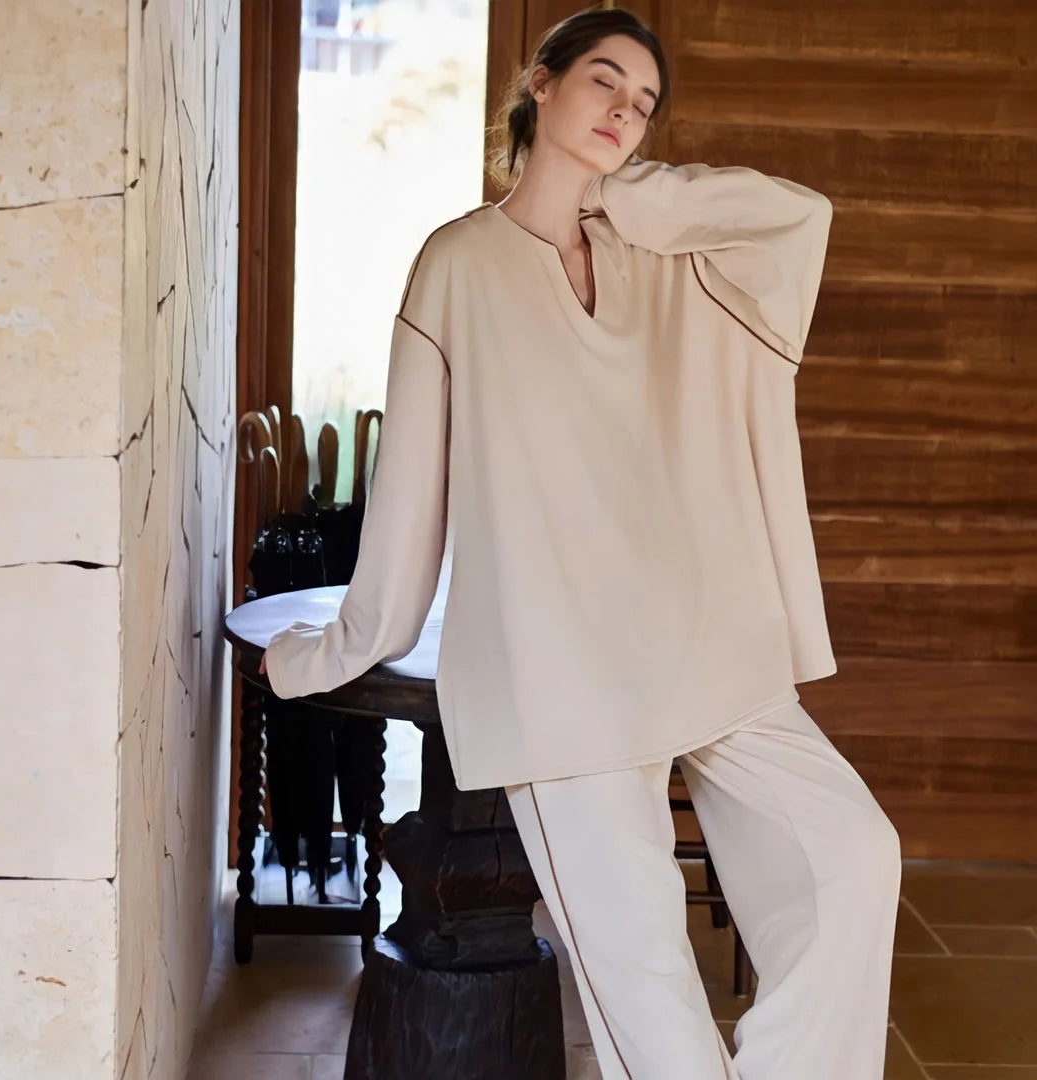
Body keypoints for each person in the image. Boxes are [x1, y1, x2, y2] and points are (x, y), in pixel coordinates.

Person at [259, 6, 902, 1078]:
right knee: (650, 1002)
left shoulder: (664, 254)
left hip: (706, 644)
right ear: (540, 84)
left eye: (644, 103)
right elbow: (409, 501)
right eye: (604, 81)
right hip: (562, 688)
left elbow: (802, 217)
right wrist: (329, 651)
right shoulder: (455, 266)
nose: (624, 111)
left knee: (854, 859)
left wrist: (625, 190)